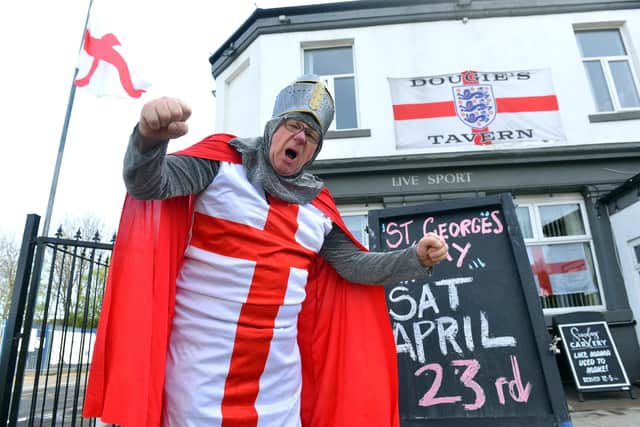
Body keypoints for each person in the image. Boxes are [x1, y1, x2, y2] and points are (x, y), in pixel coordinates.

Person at [83, 75, 448, 427]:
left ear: (314, 153)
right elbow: (148, 184)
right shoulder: (219, 165)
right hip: (198, 374)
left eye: (312, 136)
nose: (300, 137)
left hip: (276, 384)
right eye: (293, 125)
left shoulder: (317, 207)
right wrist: (148, 140)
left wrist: (415, 257)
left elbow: (354, 266)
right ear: (274, 127)